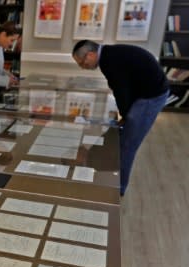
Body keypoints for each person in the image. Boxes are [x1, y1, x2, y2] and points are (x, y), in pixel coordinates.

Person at [72, 40, 169, 196]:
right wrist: (125, 116)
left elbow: (121, 91)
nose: (82, 66)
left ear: (91, 54)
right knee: (123, 135)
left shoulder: (109, 61)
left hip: (151, 96)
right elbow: (122, 86)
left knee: (128, 144)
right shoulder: (108, 56)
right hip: (143, 92)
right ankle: (109, 172)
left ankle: (118, 188)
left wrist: (126, 116)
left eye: (82, 62)